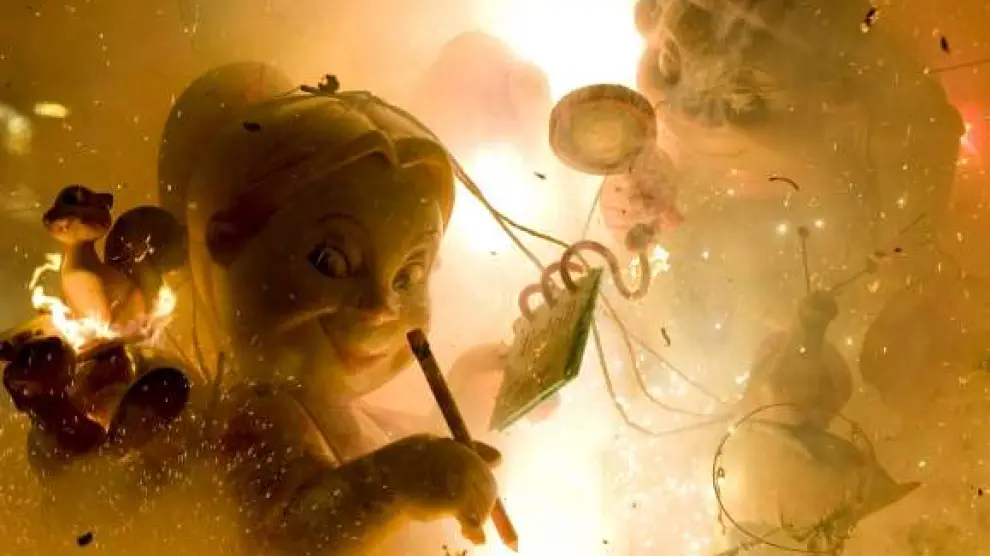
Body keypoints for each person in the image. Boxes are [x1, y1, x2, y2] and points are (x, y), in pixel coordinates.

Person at [157, 62, 501, 555]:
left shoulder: (337, 409)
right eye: (331, 262)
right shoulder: (256, 415)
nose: (380, 307)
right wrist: (402, 480)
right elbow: (291, 537)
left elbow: (401, 452)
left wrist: (469, 387)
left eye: (407, 277)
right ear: (226, 245)